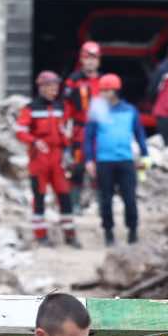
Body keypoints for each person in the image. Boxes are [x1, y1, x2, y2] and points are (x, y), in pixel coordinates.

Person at [82, 73, 149, 247]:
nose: (103, 93)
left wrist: (145, 155)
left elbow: (139, 134)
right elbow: (88, 137)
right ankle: (108, 232)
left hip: (125, 160)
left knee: (129, 198)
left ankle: (132, 230)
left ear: (115, 91)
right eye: (102, 90)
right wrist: (89, 159)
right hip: (104, 161)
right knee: (105, 199)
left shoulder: (129, 110)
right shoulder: (96, 110)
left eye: (107, 90)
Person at [15, 71, 78, 247]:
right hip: (39, 159)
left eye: (56, 86)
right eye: (51, 86)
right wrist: (34, 141)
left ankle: (70, 235)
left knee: (65, 195)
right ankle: (41, 236)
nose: (54, 90)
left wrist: (68, 146)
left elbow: (63, 129)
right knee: (39, 197)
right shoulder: (31, 108)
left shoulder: (59, 107)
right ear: (41, 87)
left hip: (57, 158)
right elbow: (20, 131)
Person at [62, 41, 105, 213]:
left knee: (101, 168)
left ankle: (102, 205)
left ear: (99, 60)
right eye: (87, 58)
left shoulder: (104, 81)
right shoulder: (73, 81)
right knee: (77, 167)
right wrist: (64, 128)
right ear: (81, 59)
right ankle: (74, 204)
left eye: (94, 58)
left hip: (101, 133)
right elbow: (66, 107)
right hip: (80, 131)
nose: (90, 62)